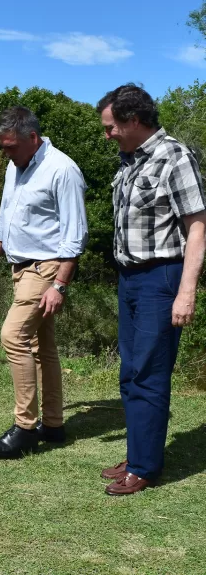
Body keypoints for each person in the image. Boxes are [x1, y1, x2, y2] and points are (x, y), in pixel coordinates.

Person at [96, 85, 206, 495]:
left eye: (111, 128)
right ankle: (138, 451)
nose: (107, 135)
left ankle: (144, 467)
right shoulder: (129, 160)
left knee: (149, 373)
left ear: (134, 121)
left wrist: (187, 291)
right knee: (130, 371)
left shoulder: (174, 156)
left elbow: (197, 226)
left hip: (162, 279)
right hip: (130, 278)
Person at [0, 107, 88, 459]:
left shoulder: (62, 170)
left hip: (46, 269)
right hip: (20, 266)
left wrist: (60, 284)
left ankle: (25, 428)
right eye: (3, 147)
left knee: (13, 336)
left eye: (10, 146)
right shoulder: (16, 165)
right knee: (43, 346)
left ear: (32, 138)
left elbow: (75, 233)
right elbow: (7, 215)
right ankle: (53, 425)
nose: (6, 154)